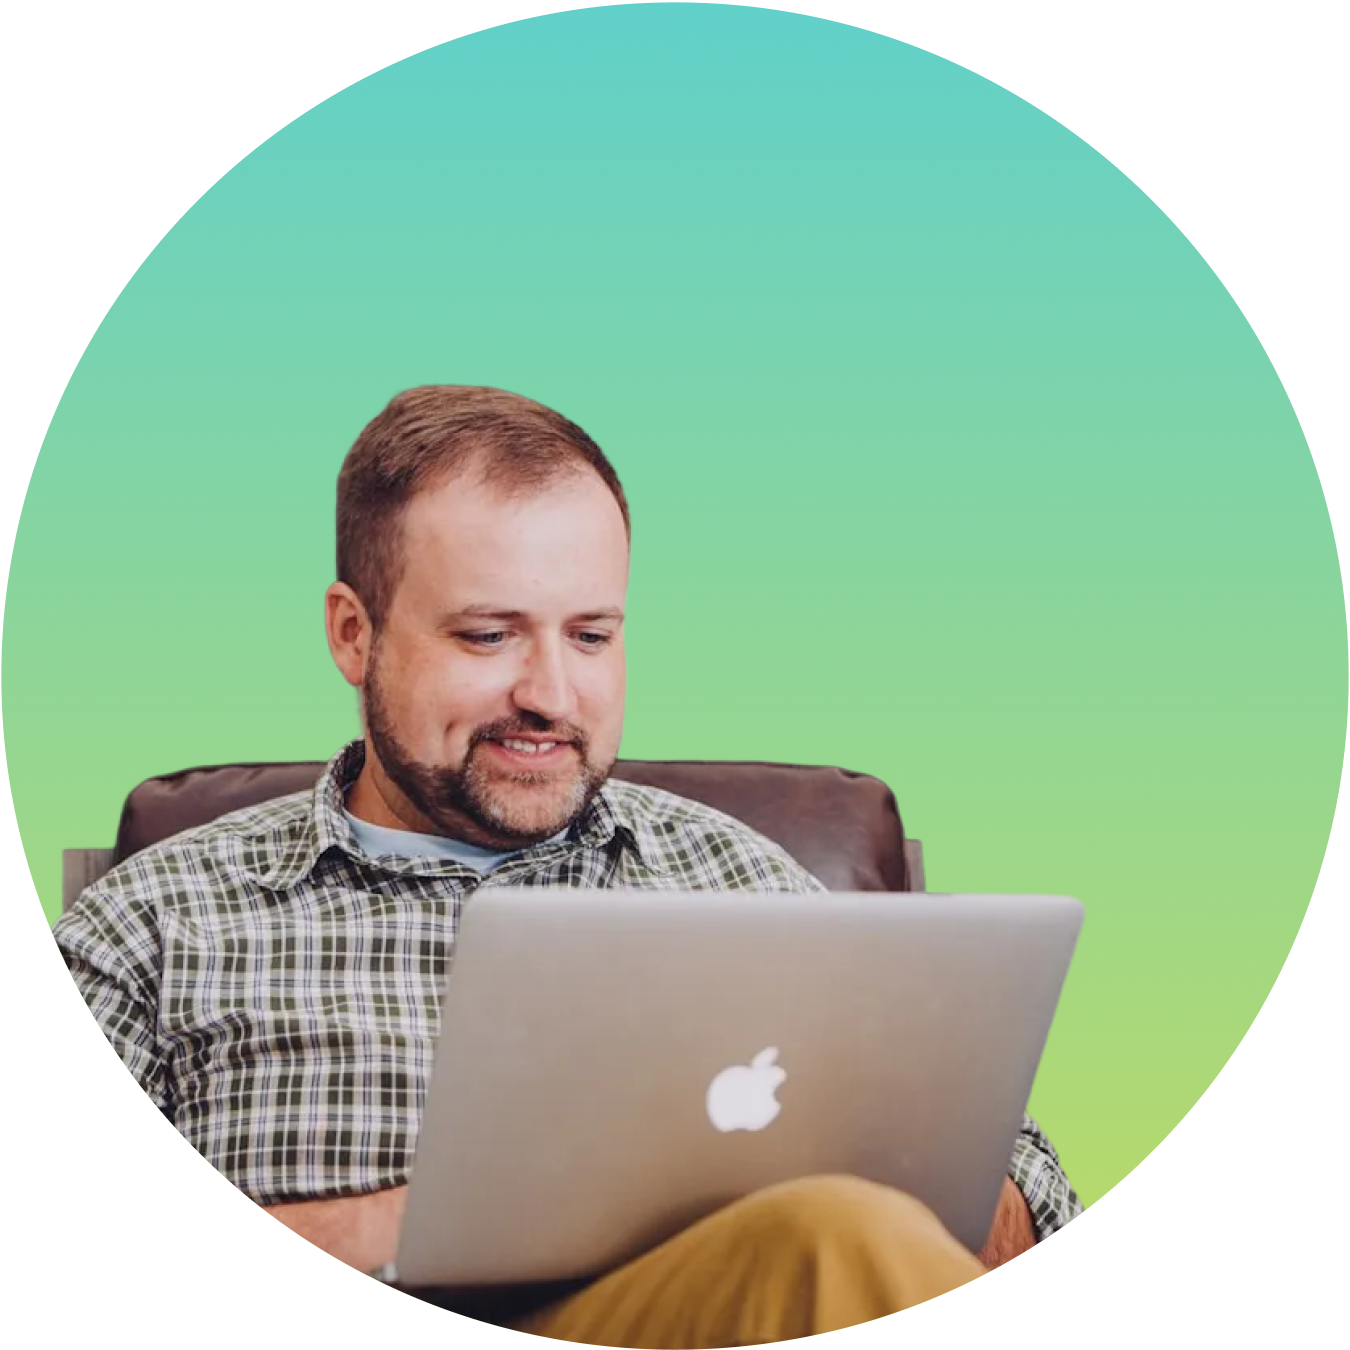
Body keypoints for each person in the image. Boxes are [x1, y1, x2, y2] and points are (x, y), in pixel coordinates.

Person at [54, 385, 1083, 1348]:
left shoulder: (739, 879)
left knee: (844, 1233)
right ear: (353, 634)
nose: (551, 691)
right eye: (490, 634)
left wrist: (942, 1190)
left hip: (729, 1313)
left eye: (591, 635)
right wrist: (385, 1231)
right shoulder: (148, 927)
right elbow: (72, 1276)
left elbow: (1040, 1224)